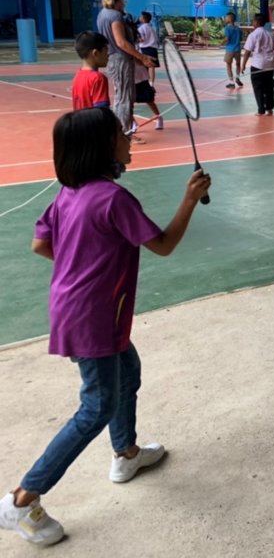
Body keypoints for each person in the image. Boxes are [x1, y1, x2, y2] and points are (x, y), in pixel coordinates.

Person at [0, 107, 211, 548]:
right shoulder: (115, 199)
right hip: (94, 317)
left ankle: (126, 453)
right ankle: (21, 500)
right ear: (103, 148)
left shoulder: (67, 194)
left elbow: (41, 243)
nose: (129, 136)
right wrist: (190, 198)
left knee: (127, 374)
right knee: (96, 407)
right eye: (122, 133)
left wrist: (81, 269)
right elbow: (165, 246)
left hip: (85, 310)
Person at [96, 0, 153, 140]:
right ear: (118, 0)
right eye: (123, 0)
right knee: (124, 97)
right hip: (120, 59)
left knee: (122, 96)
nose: (125, 3)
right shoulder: (115, 16)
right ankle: (124, 133)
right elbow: (121, 42)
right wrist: (142, 57)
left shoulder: (102, 14)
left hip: (113, 58)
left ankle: (121, 130)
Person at [240, 14, 274, 116]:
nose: (253, 23)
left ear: (256, 22)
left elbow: (247, 51)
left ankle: (261, 110)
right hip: (270, 65)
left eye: (253, 21)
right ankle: (269, 109)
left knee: (258, 88)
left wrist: (243, 65)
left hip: (257, 65)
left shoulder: (253, 35)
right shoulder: (270, 34)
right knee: (269, 87)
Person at [71, 31, 111, 111]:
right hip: (94, 122)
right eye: (106, 51)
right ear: (95, 53)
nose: (108, 54)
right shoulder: (98, 78)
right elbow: (102, 111)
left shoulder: (77, 76)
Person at [133, 60, 163, 131]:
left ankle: (158, 117)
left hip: (141, 77)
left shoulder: (135, 51)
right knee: (128, 104)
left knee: (149, 100)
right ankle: (133, 123)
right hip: (129, 80)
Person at [135, 12, 160, 86]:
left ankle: (144, 82)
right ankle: (151, 83)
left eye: (140, 17)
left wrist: (136, 39)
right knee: (152, 67)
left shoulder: (141, 28)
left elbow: (142, 39)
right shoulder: (151, 28)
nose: (139, 18)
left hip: (145, 48)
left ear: (143, 19)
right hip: (153, 49)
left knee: (144, 66)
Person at [222, 12, 243, 89]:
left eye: (226, 17)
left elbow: (227, 38)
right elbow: (241, 39)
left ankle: (231, 82)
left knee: (228, 65)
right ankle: (237, 78)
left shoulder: (227, 28)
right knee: (238, 64)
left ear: (230, 19)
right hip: (237, 49)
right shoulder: (238, 28)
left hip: (230, 49)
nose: (225, 19)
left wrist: (221, 43)